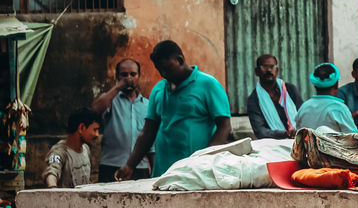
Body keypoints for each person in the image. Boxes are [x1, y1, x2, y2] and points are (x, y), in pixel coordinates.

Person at [115, 40, 231, 180]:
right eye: (159, 70)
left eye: (168, 68)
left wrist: (206, 159)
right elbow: (148, 132)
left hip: (196, 174)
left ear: (180, 60)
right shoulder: (158, 89)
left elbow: (224, 126)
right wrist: (130, 165)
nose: (163, 73)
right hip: (163, 174)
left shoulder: (208, 84)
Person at [92, 59, 154, 182]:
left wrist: (154, 171)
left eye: (133, 74)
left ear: (139, 76)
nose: (128, 78)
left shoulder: (147, 105)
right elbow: (96, 109)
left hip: (140, 169)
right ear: (117, 77)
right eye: (124, 75)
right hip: (111, 167)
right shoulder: (111, 101)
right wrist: (117, 87)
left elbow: (151, 142)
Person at [247, 54, 303, 139]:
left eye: (272, 67)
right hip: (271, 145)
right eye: (264, 67)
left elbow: (303, 116)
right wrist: (284, 134)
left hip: (298, 139)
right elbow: (260, 131)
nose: (269, 70)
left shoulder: (290, 90)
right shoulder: (254, 99)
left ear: (277, 71)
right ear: (256, 71)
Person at [43, 107, 100, 188]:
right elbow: (51, 173)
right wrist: (53, 188)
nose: (97, 134)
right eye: (95, 130)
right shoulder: (60, 152)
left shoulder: (86, 149)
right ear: (81, 128)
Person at [295, 63, 357, 133]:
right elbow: (353, 138)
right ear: (336, 84)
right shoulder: (339, 108)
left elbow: (298, 130)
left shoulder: (304, 107)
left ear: (315, 85)